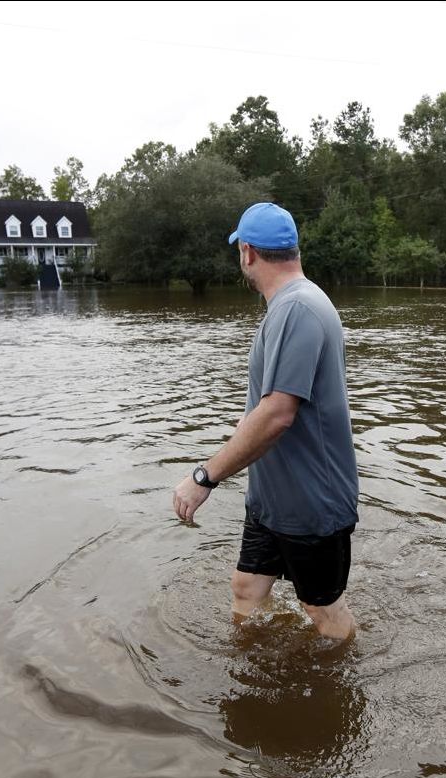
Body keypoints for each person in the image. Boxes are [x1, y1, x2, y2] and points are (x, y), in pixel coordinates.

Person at [172, 202, 359, 640]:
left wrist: (204, 477)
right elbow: (262, 408)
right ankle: (254, 664)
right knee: (246, 588)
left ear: (248, 252)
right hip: (273, 499)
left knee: (324, 612)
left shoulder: (298, 309)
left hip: (311, 503)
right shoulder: (290, 306)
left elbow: (277, 414)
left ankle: (349, 676)